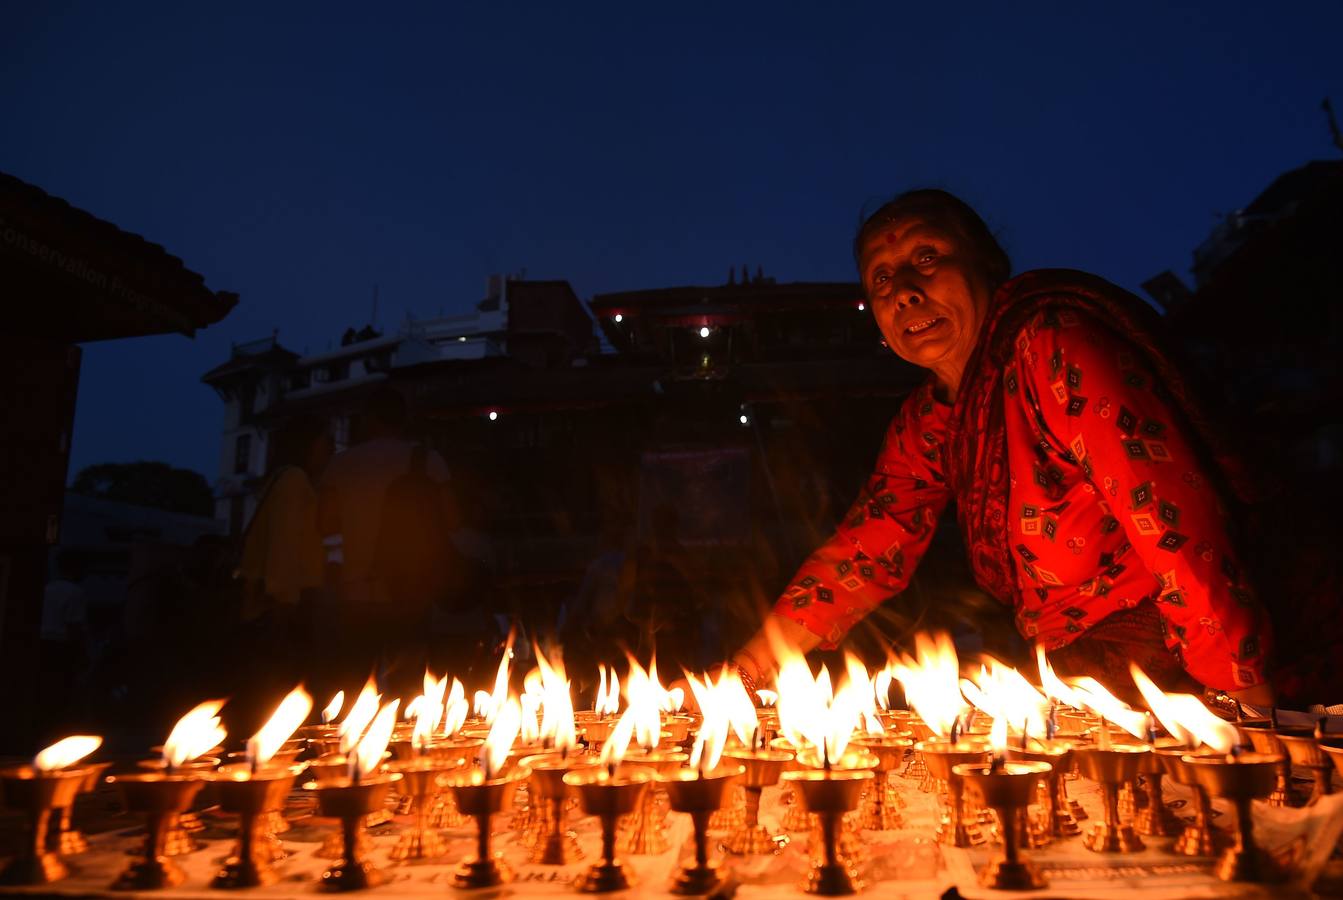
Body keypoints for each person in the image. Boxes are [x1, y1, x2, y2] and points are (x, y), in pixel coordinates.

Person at [725, 189, 1275, 706]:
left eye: (927, 256)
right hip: (1079, 674)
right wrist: (748, 671)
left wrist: (1241, 691)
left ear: (986, 263)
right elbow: (865, 552)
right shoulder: (928, 423)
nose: (905, 291)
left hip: (1180, 666)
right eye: (882, 278)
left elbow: (1171, 520)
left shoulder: (1054, 346)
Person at [318, 386, 453, 695]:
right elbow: (453, 521)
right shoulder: (428, 461)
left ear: (368, 419)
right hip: (412, 590)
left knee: (354, 687)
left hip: (355, 591)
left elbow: (324, 525)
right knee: (407, 692)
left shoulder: (341, 464)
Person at [235, 413, 331, 728]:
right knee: (278, 694)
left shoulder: (281, 478)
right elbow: (285, 545)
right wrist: (284, 602)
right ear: (309, 444)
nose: (329, 449)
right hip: (283, 604)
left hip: (275, 602)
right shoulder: (294, 480)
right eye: (324, 441)